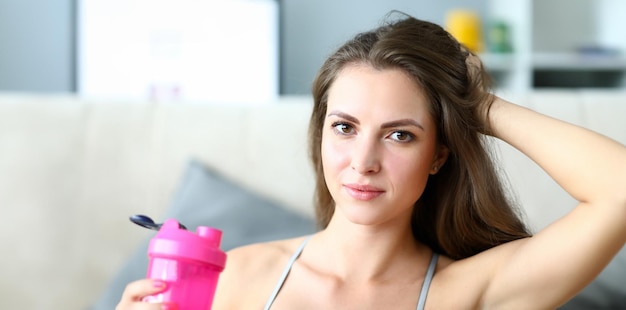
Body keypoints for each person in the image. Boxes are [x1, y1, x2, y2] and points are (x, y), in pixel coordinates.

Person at [117, 12, 626, 310]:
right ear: (322, 136)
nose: (364, 161)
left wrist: (477, 103)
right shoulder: (235, 280)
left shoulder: (469, 293)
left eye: (400, 135)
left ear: (437, 156)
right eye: (345, 127)